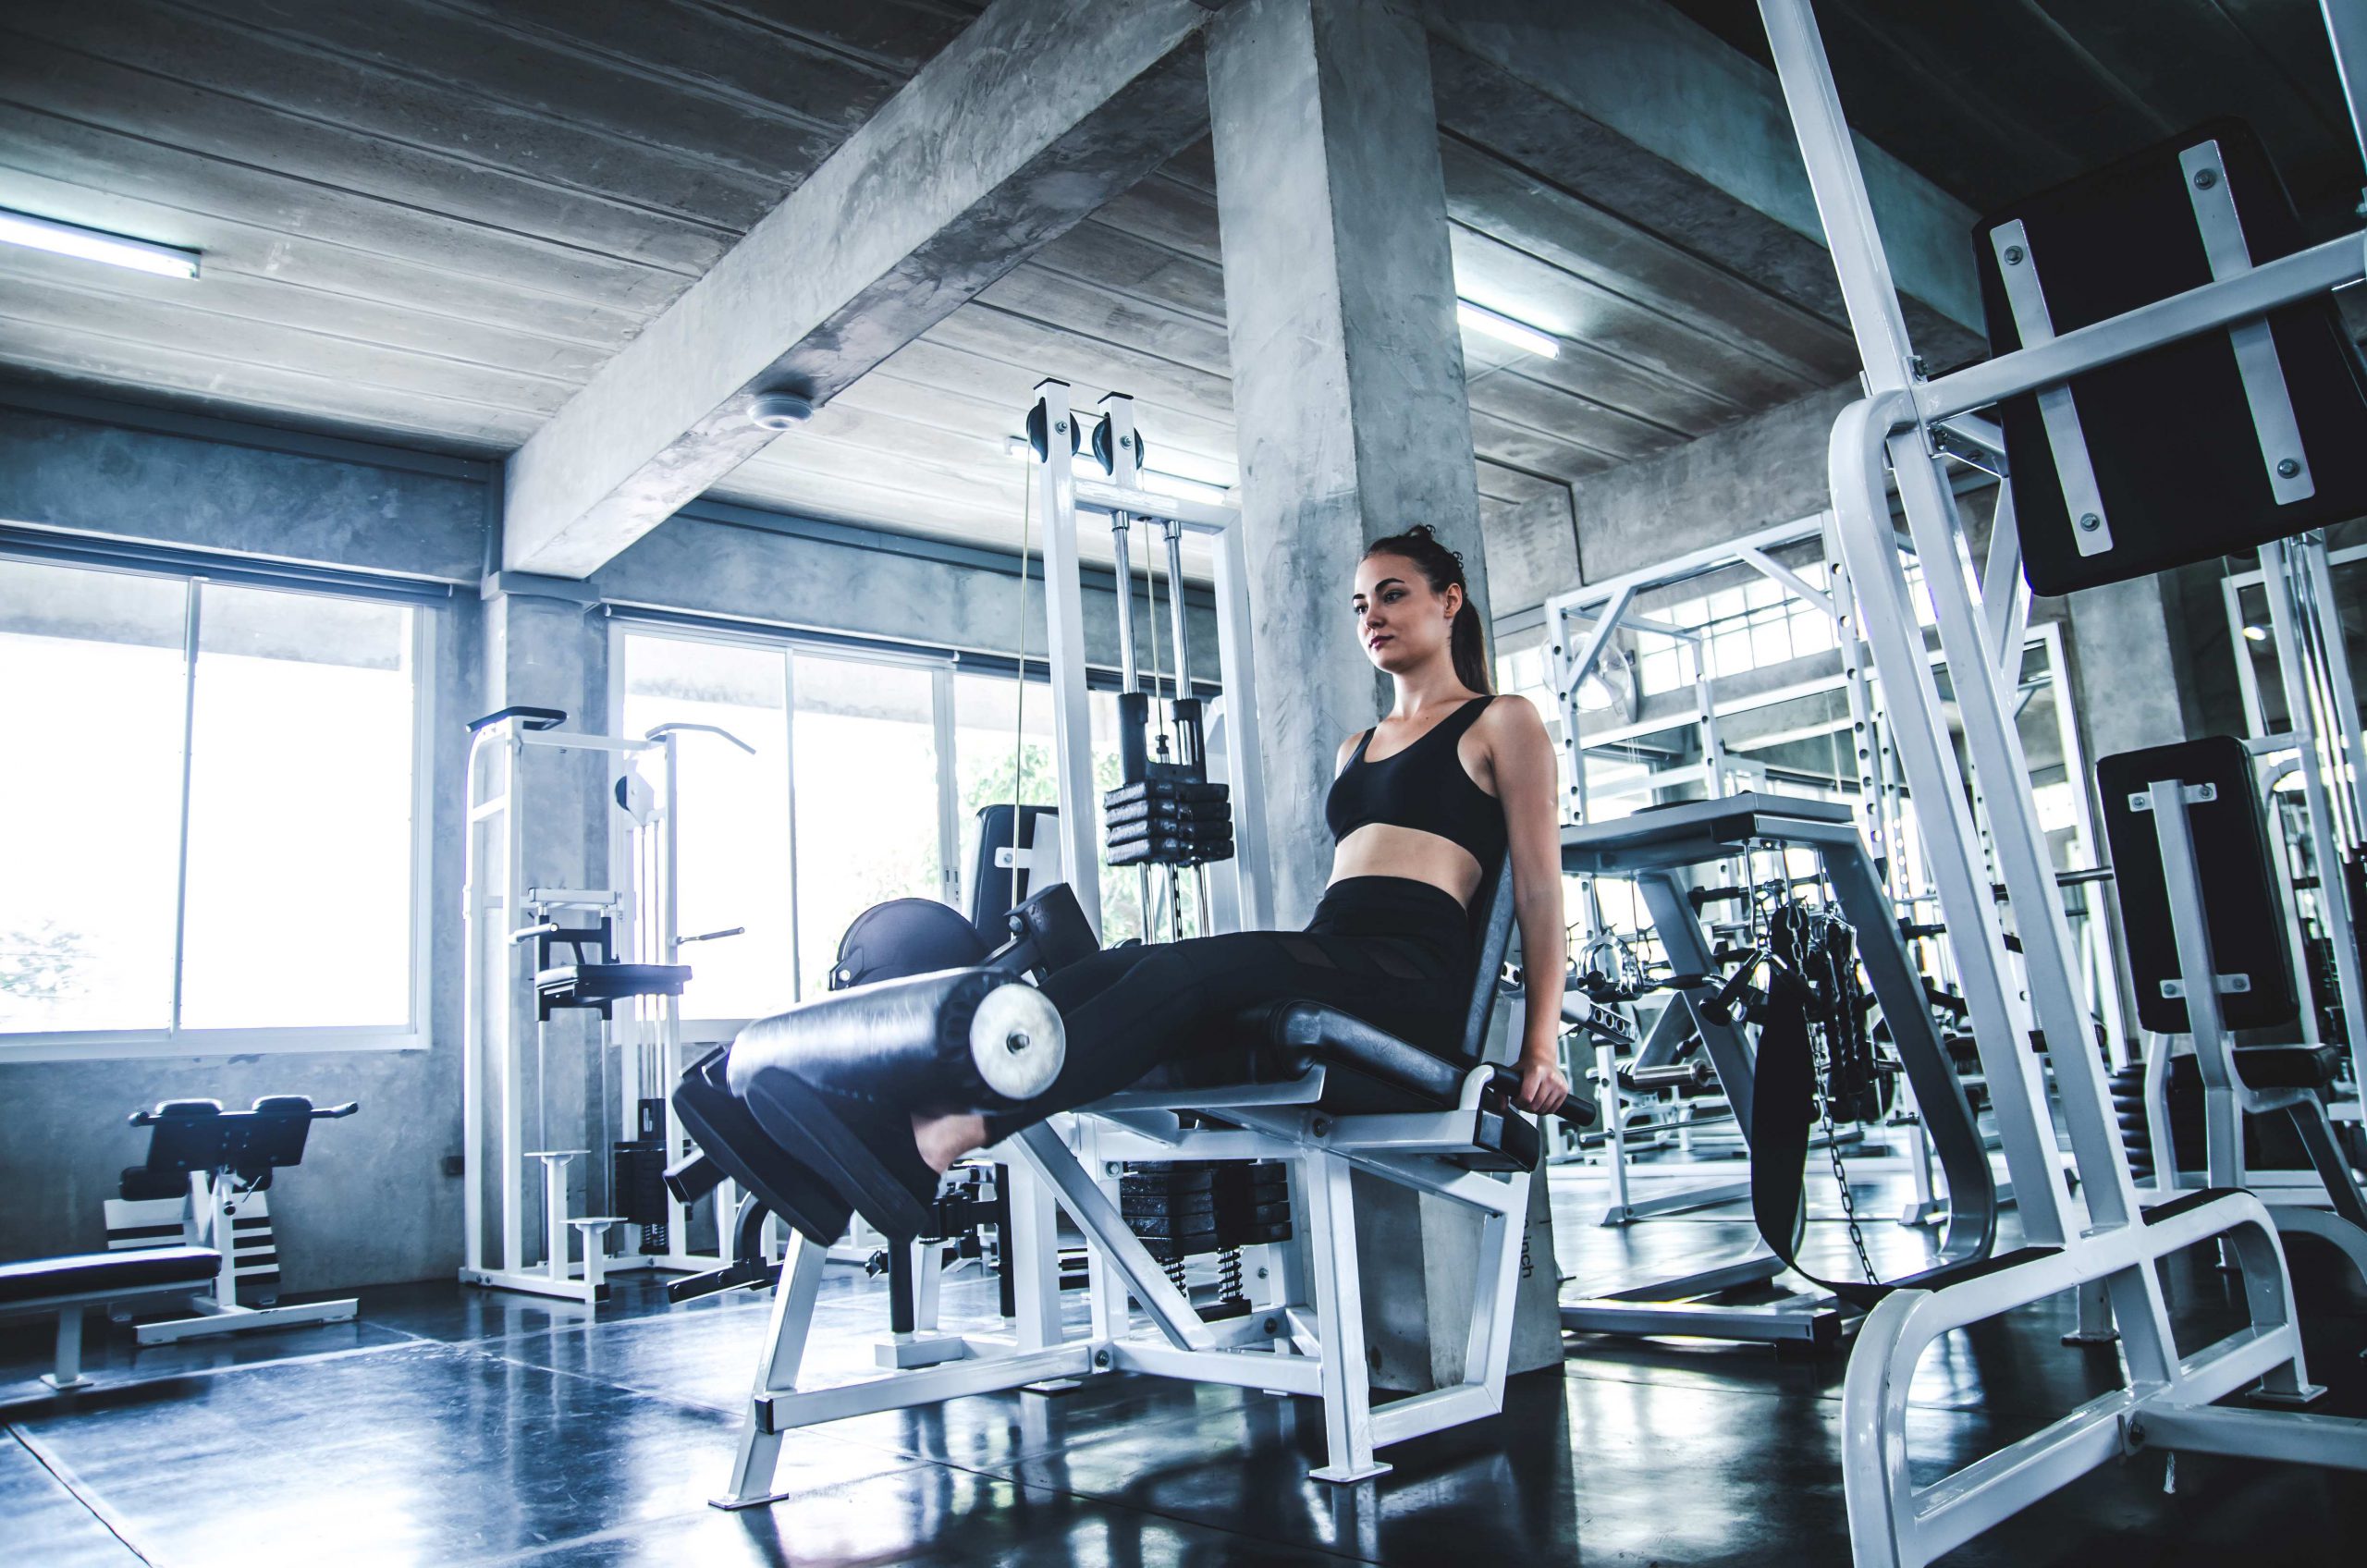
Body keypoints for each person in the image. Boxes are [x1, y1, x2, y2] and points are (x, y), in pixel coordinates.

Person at [747, 524, 1574, 1240]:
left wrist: (1541, 1044)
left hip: (1410, 974)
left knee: (1183, 971)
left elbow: (1537, 890)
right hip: (1339, 949)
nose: (1373, 617)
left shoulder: (1501, 721)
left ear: (1450, 600)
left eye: (1392, 596)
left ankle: (950, 1133)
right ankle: (891, 1108)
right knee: (1101, 972)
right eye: (1360, 604)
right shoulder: (1355, 745)